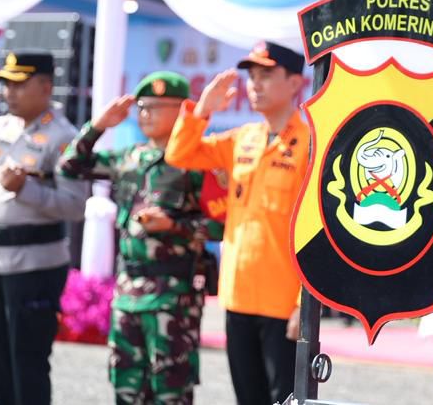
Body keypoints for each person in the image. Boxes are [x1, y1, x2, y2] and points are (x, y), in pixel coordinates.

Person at [58, 72, 222, 404]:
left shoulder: (198, 162)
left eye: (156, 107)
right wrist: (99, 125)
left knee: (171, 391)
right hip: (127, 292)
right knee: (127, 388)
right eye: (143, 107)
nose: (145, 114)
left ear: (182, 110)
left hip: (174, 297)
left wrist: (174, 224)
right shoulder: (128, 158)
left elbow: (221, 226)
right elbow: (70, 165)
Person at [166, 41, 309, 405]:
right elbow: (179, 154)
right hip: (238, 296)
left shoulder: (312, 145)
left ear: (295, 83)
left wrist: (304, 305)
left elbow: (315, 232)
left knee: (286, 400)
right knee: (247, 398)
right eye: (252, 76)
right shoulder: (243, 139)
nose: (255, 84)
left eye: (266, 75)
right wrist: (202, 111)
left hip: (283, 303)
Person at [0, 52, 88, 405]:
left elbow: (74, 205)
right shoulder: (4, 126)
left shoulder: (64, 137)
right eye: (6, 84)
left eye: (19, 84)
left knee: (27, 363)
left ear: (46, 87)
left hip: (35, 266)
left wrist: (26, 189)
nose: (9, 92)